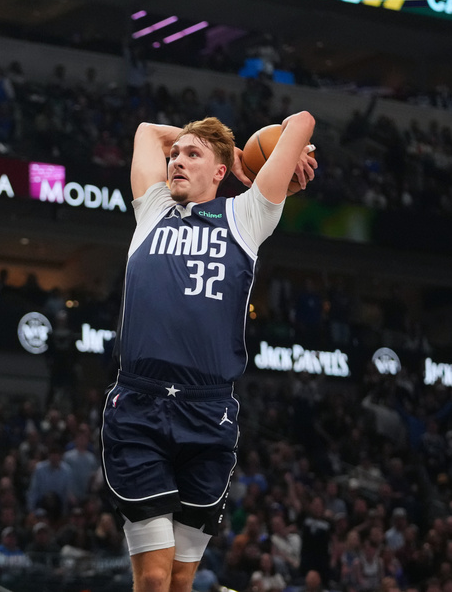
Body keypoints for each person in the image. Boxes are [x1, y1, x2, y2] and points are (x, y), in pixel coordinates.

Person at [101, 114, 316, 592]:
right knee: (153, 576)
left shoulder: (246, 216)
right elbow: (146, 132)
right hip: (139, 406)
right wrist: (225, 149)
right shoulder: (153, 207)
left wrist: (235, 155)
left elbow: (302, 121)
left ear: (219, 172)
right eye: (175, 155)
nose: (176, 160)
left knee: (180, 581)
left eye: (192, 155)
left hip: (208, 411)